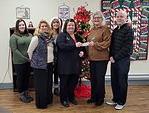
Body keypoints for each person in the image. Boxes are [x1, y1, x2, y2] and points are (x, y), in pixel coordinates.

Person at [106, 10, 134, 110]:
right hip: (114, 60)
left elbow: (127, 48)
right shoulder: (116, 30)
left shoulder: (129, 30)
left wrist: (115, 57)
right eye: (117, 16)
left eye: (121, 16)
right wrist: (110, 56)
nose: (119, 18)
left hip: (123, 61)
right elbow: (112, 45)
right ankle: (115, 99)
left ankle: (121, 102)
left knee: (122, 81)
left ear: (126, 18)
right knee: (114, 80)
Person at [56, 18, 84, 107]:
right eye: (69, 25)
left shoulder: (78, 36)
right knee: (64, 84)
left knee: (73, 83)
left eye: (72, 25)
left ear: (75, 26)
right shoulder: (62, 35)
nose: (71, 26)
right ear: (66, 26)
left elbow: (82, 47)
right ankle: (63, 99)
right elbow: (61, 46)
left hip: (75, 64)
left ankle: (71, 97)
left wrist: (82, 52)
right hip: (65, 65)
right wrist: (74, 45)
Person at [86, 11, 111, 106]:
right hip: (92, 59)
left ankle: (100, 98)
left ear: (102, 19)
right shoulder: (92, 30)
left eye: (98, 18)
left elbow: (106, 43)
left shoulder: (105, 29)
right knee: (94, 79)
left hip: (101, 59)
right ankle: (93, 97)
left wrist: (95, 44)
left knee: (100, 79)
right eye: (95, 18)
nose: (96, 19)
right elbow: (89, 42)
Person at [27, 20, 54, 109]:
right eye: (41, 26)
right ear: (39, 28)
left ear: (48, 27)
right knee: (41, 86)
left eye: (45, 26)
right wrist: (34, 61)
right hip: (39, 66)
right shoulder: (36, 38)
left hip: (49, 65)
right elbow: (29, 51)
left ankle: (48, 100)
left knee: (48, 84)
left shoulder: (50, 38)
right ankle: (41, 104)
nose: (44, 27)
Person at [9, 19, 33, 103]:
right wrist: (25, 58)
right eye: (20, 25)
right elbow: (14, 50)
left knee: (27, 77)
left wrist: (31, 58)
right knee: (20, 78)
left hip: (29, 61)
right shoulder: (14, 36)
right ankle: (21, 94)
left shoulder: (29, 35)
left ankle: (26, 92)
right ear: (17, 27)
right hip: (19, 61)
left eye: (23, 25)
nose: (22, 26)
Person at [50, 17, 62, 96]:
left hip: (60, 56)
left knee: (57, 72)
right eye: (54, 23)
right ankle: (50, 88)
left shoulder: (61, 33)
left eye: (57, 22)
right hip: (51, 56)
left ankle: (57, 88)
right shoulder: (49, 33)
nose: (55, 24)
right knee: (51, 72)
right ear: (51, 24)